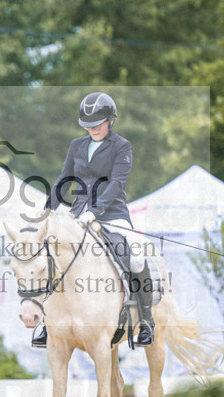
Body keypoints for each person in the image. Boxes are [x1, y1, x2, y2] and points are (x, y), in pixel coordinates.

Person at [34, 91, 155, 349]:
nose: (93, 129)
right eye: (88, 126)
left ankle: (146, 322)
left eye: (98, 124)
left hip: (112, 216)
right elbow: (64, 179)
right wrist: (47, 211)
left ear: (111, 121)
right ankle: (46, 322)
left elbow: (116, 184)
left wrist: (95, 211)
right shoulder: (76, 146)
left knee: (135, 255)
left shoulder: (122, 147)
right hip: (77, 215)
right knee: (50, 257)